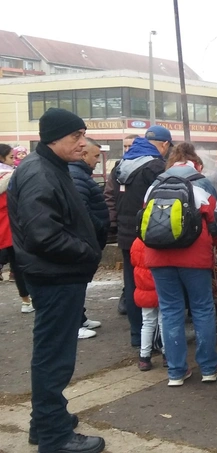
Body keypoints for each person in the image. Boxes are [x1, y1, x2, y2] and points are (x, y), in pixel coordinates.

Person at [9, 108, 105, 453]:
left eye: (83, 135)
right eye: (76, 136)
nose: (83, 143)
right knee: (54, 357)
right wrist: (87, 252)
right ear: (53, 138)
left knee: (52, 353)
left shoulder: (50, 166)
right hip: (55, 277)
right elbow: (43, 235)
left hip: (57, 275)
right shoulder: (39, 172)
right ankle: (53, 436)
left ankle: (46, 421)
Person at [142, 143, 217, 386]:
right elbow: (215, 222)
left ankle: (176, 372)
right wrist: (216, 246)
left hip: (158, 255)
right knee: (202, 309)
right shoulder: (202, 183)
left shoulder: (155, 184)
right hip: (194, 257)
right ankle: (208, 368)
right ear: (195, 162)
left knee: (170, 311)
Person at [109, 127, 172, 347]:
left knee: (132, 283)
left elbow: (111, 197)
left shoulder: (121, 165)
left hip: (127, 236)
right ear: (164, 145)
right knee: (154, 285)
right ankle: (156, 339)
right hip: (151, 234)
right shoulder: (156, 167)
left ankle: (138, 335)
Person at [69, 137, 108, 340]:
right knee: (74, 285)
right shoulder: (77, 176)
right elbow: (81, 211)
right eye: (95, 156)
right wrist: (99, 226)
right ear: (84, 155)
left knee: (80, 283)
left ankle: (80, 317)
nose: (97, 161)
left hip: (85, 240)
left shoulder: (80, 174)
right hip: (82, 240)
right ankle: (74, 324)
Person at [105, 134, 139, 316]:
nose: (127, 150)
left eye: (130, 146)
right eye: (125, 146)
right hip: (124, 228)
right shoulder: (118, 169)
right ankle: (127, 296)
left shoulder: (147, 167)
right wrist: (112, 223)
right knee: (129, 268)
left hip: (140, 228)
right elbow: (109, 196)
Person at [0, 144, 30, 313]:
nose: (14, 160)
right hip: (10, 224)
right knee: (17, 263)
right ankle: (26, 300)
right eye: (11, 157)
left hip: (4, 225)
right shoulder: (11, 176)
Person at [132, 237, 165, 371]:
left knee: (147, 323)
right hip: (161, 288)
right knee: (164, 322)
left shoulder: (136, 243)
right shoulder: (160, 240)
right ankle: (167, 354)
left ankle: (144, 357)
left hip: (144, 290)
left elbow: (134, 261)